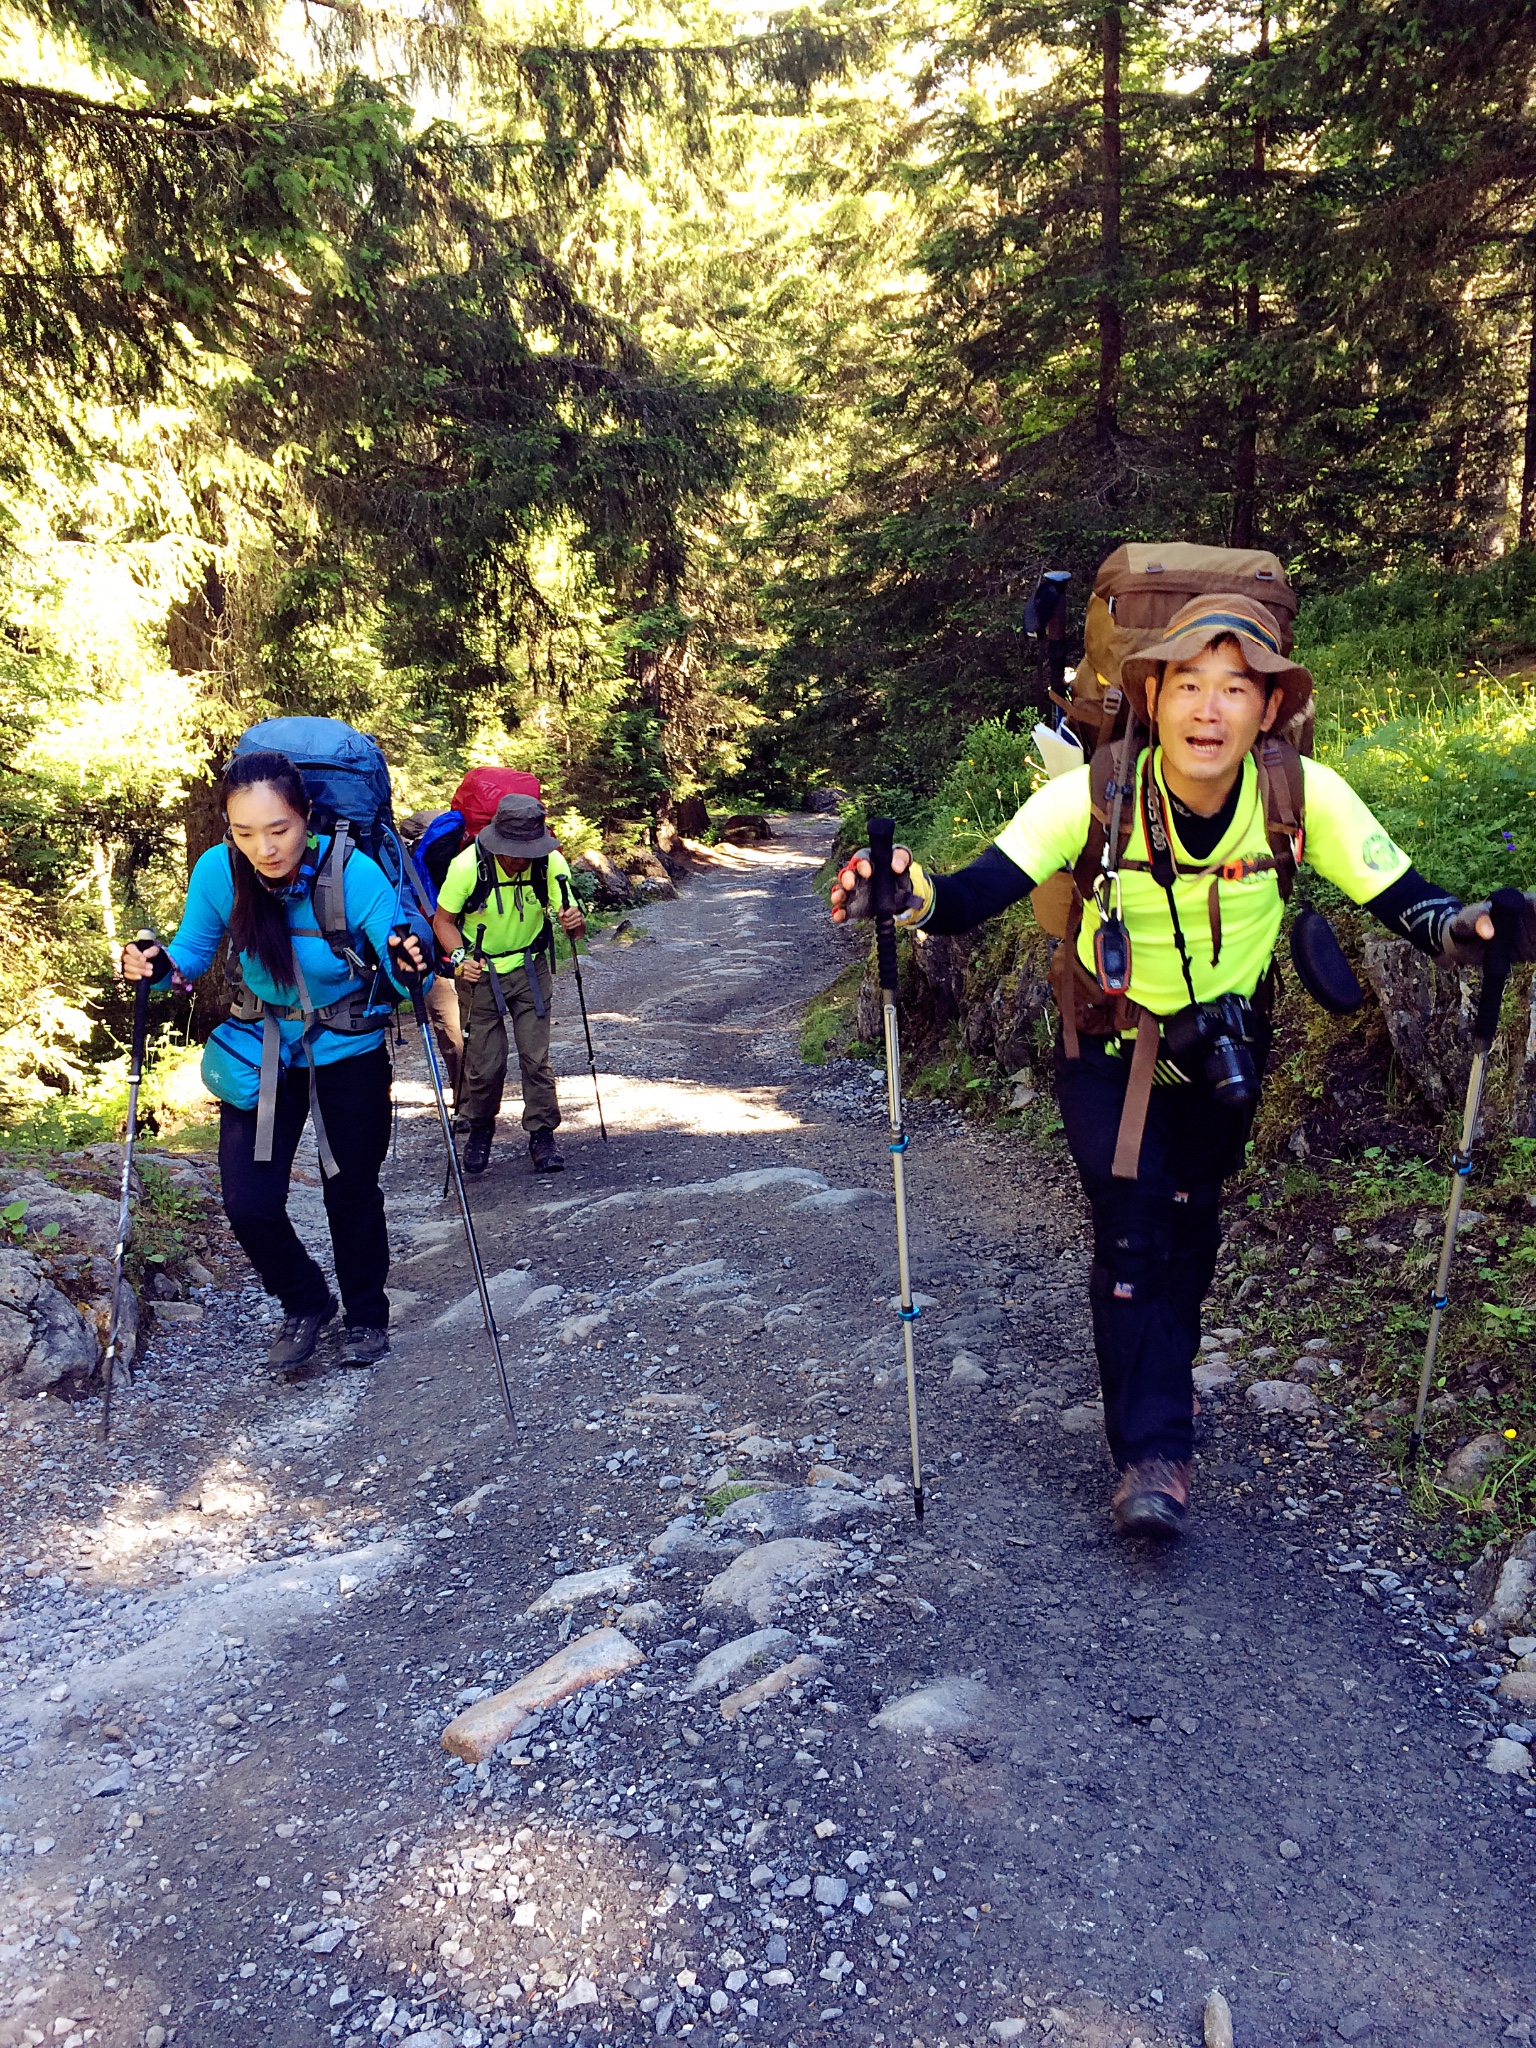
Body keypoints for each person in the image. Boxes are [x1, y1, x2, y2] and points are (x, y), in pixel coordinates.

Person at [832, 593, 1536, 1539]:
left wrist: (1471, 930)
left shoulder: (1301, 797)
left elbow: (1404, 898)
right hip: (1105, 1052)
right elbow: (967, 896)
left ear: (1268, 708)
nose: (1211, 710)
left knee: (1191, 1227)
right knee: (1131, 1230)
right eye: (1190, 686)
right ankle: (1151, 1454)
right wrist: (902, 895)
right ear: (1153, 697)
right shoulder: (1092, 795)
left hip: (1225, 1058)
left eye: (1236, 689)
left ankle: (1156, 1379)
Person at [122, 750, 429, 1372]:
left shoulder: (353, 874)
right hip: (263, 1052)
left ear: (306, 817)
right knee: (249, 1203)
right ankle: (307, 1300)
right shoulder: (218, 873)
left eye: (279, 829)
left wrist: (406, 961)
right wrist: (156, 968)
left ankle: (367, 1318)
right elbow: (189, 960)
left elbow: (399, 968)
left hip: (349, 1053)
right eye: (244, 832)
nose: (264, 847)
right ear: (228, 830)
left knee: (351, 1194)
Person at [430, 792, 585, 1175]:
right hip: (480, 972)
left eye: (527, 850)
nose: (519, 859)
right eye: (513, 850)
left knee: (536, 1058)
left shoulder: (549, 862)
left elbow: (572, 920)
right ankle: (481, 1128)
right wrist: (460, 959)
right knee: (485, 1063)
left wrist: (574, 924)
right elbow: (443, 922)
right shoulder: (468, 866)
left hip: (530, 968)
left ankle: (542, 1134)